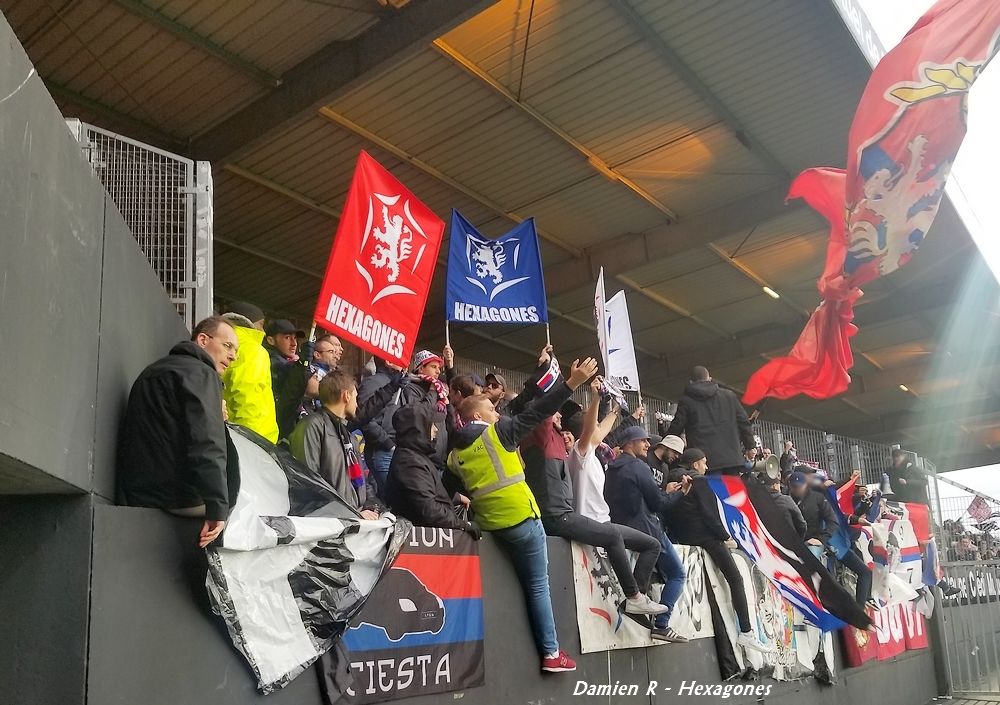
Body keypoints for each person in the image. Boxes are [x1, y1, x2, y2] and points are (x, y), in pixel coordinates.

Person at [448, 356, 598, 673]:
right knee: (538, 587)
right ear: (478, 415)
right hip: (522, 520)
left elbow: (446, 487)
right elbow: (539, 412)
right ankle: (551, 653)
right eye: (492, 410)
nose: (498, 413)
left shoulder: (454, 455)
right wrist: (571, 383)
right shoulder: (497, 433)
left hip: (490, 526)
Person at [545, 377, 666, 617]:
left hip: (605, 522)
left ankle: (636, 599)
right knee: (624, 539)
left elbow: (600, 430)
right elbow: (593, 429)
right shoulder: (580, 454)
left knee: (652, 545)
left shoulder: (592, 454)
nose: (600, 431)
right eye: (595, 428)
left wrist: (617, 409)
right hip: (591, 523)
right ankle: (633, 596)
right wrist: (596, 399)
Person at [117, 316, 239, 548]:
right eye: (227, 346)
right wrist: (217, 508)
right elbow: (206, 444)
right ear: (203, 340)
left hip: (138, 490)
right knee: (244, 508)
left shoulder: (154, 370)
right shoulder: (201, 373)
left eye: (235, 351)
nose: (232, 356)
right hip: (173, 495)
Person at [662, 448, 766, 653]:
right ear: (695, 464)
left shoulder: (671, 478)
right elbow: (709, 515)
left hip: (680, 536)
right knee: (735, 578)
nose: (707, 467)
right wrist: (725, 537)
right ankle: (746, 632)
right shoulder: (700, 481)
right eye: (704, 462)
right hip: (704, 536)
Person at [604, 426, 689, 642]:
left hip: (623, 529)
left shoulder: (611, 467)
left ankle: (639, 601)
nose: (648, 445)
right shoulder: (638, 467)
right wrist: (680, 494)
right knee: (678, 574)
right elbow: (658, 503)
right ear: (629, 443)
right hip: (648, 529)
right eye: (643, 440)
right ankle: (661, 624)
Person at [287, 370, 401, 517]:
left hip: (352, 519)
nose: (357, 403)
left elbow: (360, 482)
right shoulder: (311, 426)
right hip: (329, 521)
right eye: (355, 397)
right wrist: (352, 514)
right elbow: (308, 483)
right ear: (346, 396)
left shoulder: (348, 435)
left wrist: (371, 506)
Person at [385, 404, 478, 534]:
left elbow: (426, 490)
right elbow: (429, 510)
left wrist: (455, 497)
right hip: (422, 537)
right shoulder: (410, 463)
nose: (436, 430)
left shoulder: (415, 456)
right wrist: (463, 525)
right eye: (432, 425)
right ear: (419, 429)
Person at [788, 472, 873, 608]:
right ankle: (815, 603)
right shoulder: (787, 501)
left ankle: (860, 609)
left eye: (800, 486)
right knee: (813, 560)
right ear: (790, 487)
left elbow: (835, 518)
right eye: (795, 487)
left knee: (865, 572)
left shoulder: (818, 498)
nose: (798, 489)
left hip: (831, 542)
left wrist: (821, 539)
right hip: (803, 544)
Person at [666, 366, 755, 476]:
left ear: (691, 382)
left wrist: (665, 445)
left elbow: (676, 427)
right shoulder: (729, 396)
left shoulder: (687, 401)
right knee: (733, 487)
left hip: (704, 462)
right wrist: (750, 446)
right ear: (710, 379)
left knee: (711, 488)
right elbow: (744, 422)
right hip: (732, 459)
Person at [220, 303, 280, 443]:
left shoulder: (224, 345)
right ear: (249, 323)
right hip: (254, 439)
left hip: (229, 432)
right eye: (261, 325)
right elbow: (248, 399)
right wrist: (250, 441)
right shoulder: (252, 349)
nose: (263, 331)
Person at [263, 319, 309, 440]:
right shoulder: (272, 362)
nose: (294, 343)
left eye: (295, 338)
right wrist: (301, 365)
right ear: (271, 340)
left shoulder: (285, 361)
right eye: (287, 338)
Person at [302, 334, 344, 412]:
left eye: (335, 352)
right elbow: (313, 390)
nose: (335, 355)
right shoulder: (311, 370)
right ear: (317, 355)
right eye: (331, 352)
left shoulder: (333, 371)